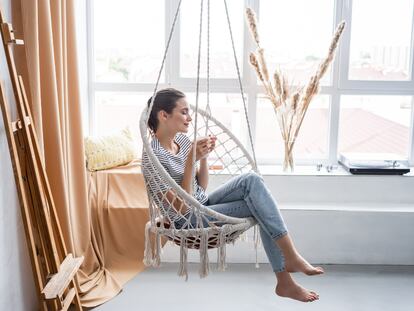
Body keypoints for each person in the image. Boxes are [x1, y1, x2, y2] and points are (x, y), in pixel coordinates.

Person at [142, 88, 324, 302]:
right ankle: (287, 268)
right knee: (260, 207)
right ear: (163, 115)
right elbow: (182, 209)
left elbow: (200, 185)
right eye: (183, 112)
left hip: (204, 205)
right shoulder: (151, 159)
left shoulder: (181, 142)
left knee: (251, 180)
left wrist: (203, 157)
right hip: (188, 220)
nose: (189, 118)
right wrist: (191, 159)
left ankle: (288, 268)